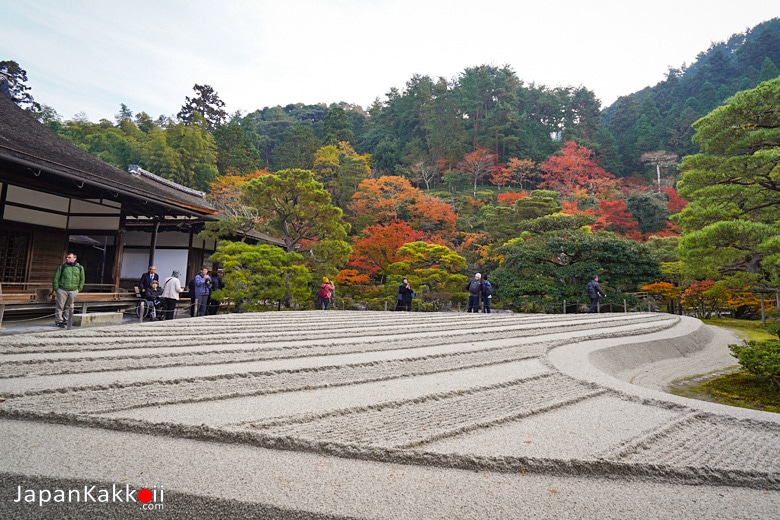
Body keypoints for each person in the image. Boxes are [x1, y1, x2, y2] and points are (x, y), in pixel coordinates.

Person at [52, 252, 85, 328]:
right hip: (62, 289)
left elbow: (82, 279)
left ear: (74, 258)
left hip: (73, 289)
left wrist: (79, 288)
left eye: (69, 257)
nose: (67, 258)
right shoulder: (62, 267)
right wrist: (56, 288)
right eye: (67, 257)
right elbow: (56, 278)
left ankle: (66, 320)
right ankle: (59, 321)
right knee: (60, 305)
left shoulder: (80, 268)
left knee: (69, 306)